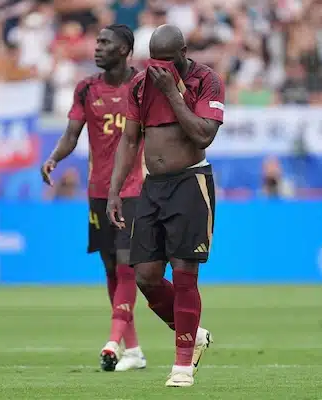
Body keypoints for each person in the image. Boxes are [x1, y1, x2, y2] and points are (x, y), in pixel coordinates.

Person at [107, 24, 224, 387]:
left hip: (190, 183)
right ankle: (192, 333)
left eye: (166, 61)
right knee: (146, 276)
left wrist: (173, 94)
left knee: (184, 272)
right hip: (152, 187)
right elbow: (129, 141)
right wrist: (114, 190)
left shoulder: (206, 81)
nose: (158, 68)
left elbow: (204, 134)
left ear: (183, 53)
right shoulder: (140, 85)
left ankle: (182, 365)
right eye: (153, 61)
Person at [41, 24, 147, 372]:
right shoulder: (86, 88)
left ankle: (112, 342)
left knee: (127, 264)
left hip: (133, 190)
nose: (97, 47)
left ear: (124, 50)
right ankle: (134, 350)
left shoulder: (142, 86)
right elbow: (72, 133)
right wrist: (55, 158)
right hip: (98, 192)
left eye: (105, 43)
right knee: (111, 268)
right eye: (97, 41)